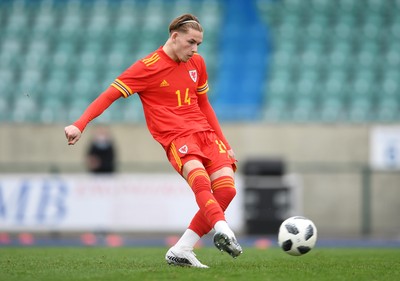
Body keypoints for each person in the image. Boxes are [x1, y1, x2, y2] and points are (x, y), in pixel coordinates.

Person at [64, 13, 242, 268]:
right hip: (177, 137)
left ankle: (182, 249)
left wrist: (225, 142)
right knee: (201, 182)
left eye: (198, 44)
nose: (195, 49)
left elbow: (204, 104)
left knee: (227, 190)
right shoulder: (147, 67)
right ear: (175, 36)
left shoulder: (198, 64)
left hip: (206, 134)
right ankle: (223, 229)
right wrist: (80, 124)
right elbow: (109, 95)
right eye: (191, 42)